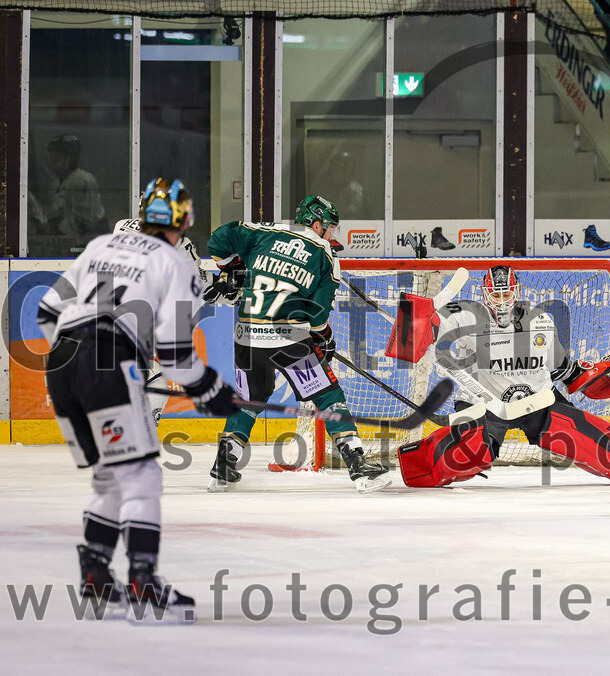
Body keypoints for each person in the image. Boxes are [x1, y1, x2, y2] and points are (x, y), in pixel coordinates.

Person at [38, 177, 239, 623]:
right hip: (107, 359)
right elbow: (174, 355)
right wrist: (211, 390)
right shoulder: (178, 260)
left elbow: (46, 313)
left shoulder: (99, 245)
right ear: (184, 221)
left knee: (111, 472)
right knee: (142, 474)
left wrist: (81, 359)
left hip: (60, 363)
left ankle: (94, 571)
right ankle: (143, 582)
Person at [395, 265, 610, 487]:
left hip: (538, 401)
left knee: (575, 433)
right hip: (484, 404)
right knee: (471, 452)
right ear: (485, 294)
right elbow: (411, 338)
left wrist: (589, 374)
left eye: (506, 293)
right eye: (495, 295)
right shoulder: (462, 316)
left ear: (517, 291)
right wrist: (417, 317)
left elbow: (561, 369)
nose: (502, 300)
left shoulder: (539, 321)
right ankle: (419, 463)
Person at [206, 195, 391, 493]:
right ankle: (359, 466)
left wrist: (231, 269)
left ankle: (223, 466)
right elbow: (316, 317)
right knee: (328, 395)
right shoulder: (325, 256)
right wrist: (325, 337)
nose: (332, 235)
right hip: (288, 340)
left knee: (250, 398)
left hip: (247, 337)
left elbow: (217, 241)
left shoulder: (266, 232)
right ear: (316, 224)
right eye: (330, 227)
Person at [113, 209, 242, 427]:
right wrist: (231, 287)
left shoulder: (121, 225)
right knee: (156, 376)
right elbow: (196, 285)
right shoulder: (180, 243)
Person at [45, 134, 106, 245]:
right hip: (70, 241)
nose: (53, 165)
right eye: (52, 160)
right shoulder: (56, 184)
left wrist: (55, 228)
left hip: (89, 243)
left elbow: (83, 221)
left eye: (57, 159)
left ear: (71, 159)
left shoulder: (83, 180)